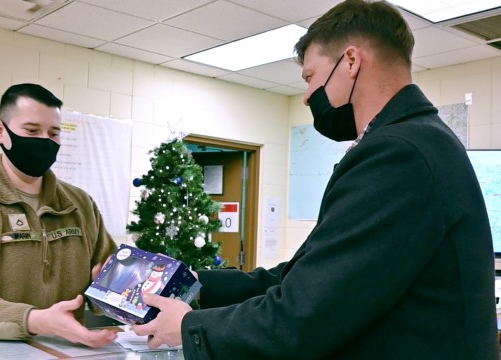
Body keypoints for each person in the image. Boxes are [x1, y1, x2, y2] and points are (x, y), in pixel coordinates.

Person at [133, 1, 499, 358]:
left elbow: (304, 313)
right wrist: (196, 282)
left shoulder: (399, 153)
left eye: (310, 77)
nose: (308, 96)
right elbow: (301, 276)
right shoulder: (419, 141)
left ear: (351, 61)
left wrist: (189, 327)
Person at [0, 83, 118, 347]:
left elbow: (107, 282)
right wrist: (34, 320)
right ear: (0, 131)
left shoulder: (80, 204)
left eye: (53, 133)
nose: (44, 141)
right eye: (31, 130)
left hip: (59, 351)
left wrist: (134, 284)